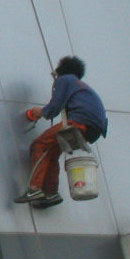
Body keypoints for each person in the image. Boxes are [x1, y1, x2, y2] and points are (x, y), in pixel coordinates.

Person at [14, 55, 107, 209]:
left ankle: (34, 189)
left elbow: (54, 108)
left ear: (63, 69)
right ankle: (51, 193)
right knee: (51, 152)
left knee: (38, 145)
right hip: (91, 129)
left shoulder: (66, 80)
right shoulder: (80, 86)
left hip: (79, 122)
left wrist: (39, 112)